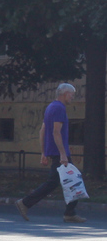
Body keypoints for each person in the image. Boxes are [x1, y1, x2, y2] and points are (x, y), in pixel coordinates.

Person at [15, 83, 86, 223]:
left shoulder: (50, 107)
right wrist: (63, 154)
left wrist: (44, 152)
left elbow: (42, 131)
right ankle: (25, 203)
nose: (73, 97)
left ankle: (69, 212)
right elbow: (55, 132)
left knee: (66, 182)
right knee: (72, 181)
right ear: (65, 94)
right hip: (59, 153)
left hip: (54, 152)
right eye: (72, 94)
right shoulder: (59, 108)